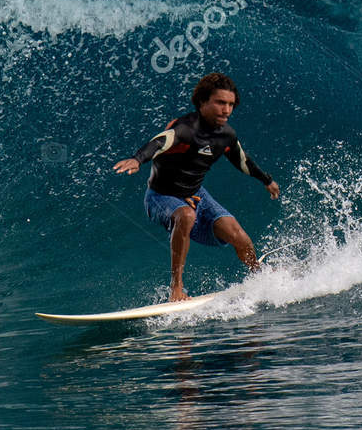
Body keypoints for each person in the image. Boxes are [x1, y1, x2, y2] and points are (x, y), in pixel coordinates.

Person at [112, 72, 279, 301]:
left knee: (237, 233)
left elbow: (243, 161)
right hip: (161, 196)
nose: (226, 110)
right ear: (202, 102)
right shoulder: (185, 128)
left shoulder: (227, 136)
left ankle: (260, 276)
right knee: (186, 215)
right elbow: (160, 142)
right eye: (220, 102)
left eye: (231, 104)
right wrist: (137, 159)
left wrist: (267, 180)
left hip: (195, 194)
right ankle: (176, 288)